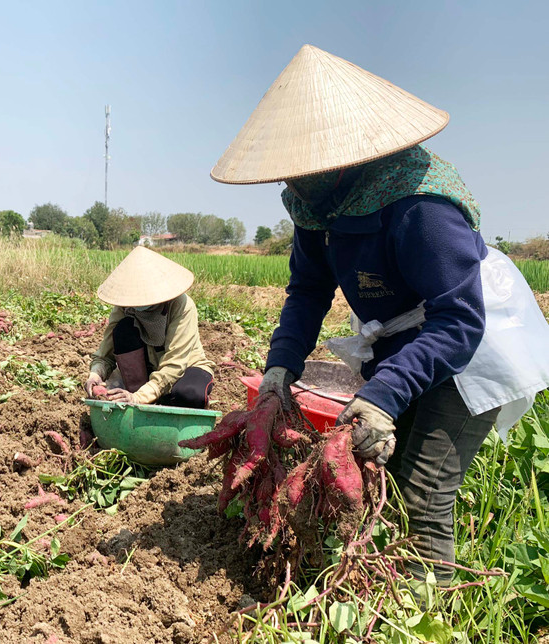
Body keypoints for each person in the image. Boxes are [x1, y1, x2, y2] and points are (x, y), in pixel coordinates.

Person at [211, 45, 549, 582]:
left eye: (307, 170)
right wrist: (281, 368)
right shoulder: (317, 206)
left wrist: (383, 397)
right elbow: (306, 292)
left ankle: (428, 611)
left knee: (423, 488)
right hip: (410, 338)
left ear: (346, 156)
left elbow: (459, 321)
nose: (294, 184)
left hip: (473, 342)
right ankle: (379, 585)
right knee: (377, 471)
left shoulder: (420, 206)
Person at [86, 246, 215, 408]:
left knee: (189, 395)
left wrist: (140, 397)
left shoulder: (181, 305)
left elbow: (175, 363)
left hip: (186, 367)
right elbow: (105, 353)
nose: (137, 303)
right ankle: (144, 393)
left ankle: (156, 397)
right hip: (146, 369)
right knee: (123, 329)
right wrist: (96, 373)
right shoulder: (124, 306)